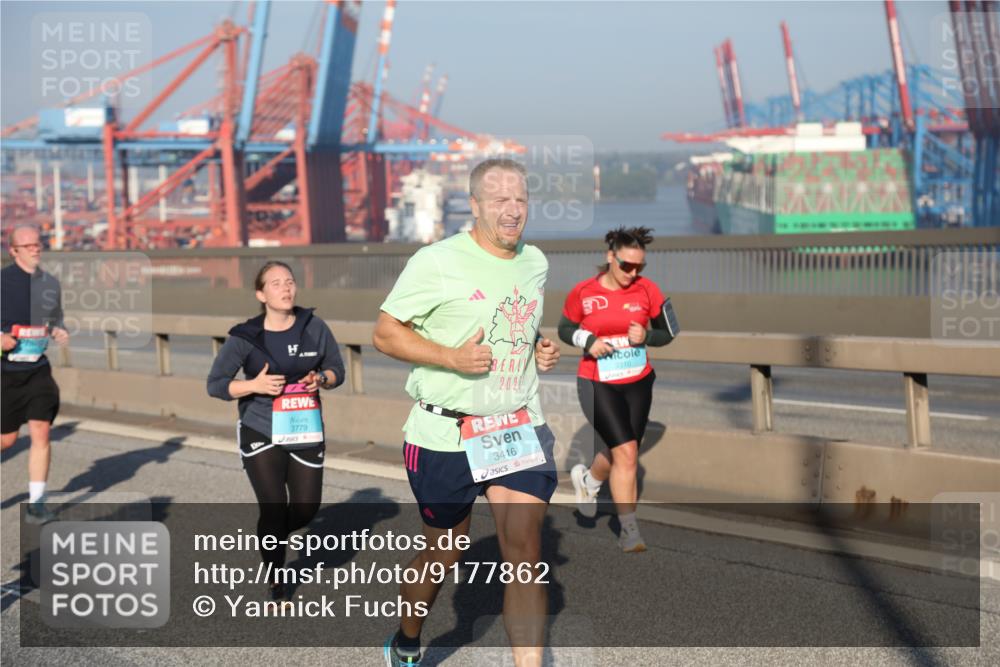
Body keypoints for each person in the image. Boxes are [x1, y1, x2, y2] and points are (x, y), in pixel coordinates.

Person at [373, 158, 560, 667]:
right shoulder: (436, 261)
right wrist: (449, 357)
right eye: (499, 199)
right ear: (474, 206)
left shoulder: (535, 261)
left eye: (520, 198)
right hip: (443, 431)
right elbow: (385, 334)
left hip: (515, 424)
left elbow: (514, 322)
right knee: (444, 553)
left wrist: (539, 347)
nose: (513, 209)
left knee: (524, 554)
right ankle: (408, 637)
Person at [207, 261, 345, 601]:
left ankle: (272, 537)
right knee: (272, 507)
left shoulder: (314, 327)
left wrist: (321, 379)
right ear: (261, 294)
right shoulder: (246, 336)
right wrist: (253, 384)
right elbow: (216, 384)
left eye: (290, 282)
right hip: (260, 429)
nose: (285, 288)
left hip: (304, 428)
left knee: (306, 510)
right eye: (276, 283)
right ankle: (276, 577)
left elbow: (336, 370)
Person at [560, 226, 675, 552]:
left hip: (637, 380)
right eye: (626, 265)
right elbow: (566, 328)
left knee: (623, 450)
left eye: (639, 267)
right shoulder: (583, 292)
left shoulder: (647, 290)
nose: (633, 273)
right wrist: (589, 340)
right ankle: (629, 531)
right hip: (596, 382)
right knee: (625, 452)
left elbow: (668, 332)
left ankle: (588, 481)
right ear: (610, 257)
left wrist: (647, 337)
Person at [1, 225, 70, 524]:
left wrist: (59, 330)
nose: (35, 249)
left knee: (41, 431)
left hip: (38, 369)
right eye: (28, 246)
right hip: (5, 372)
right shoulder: (2, 281)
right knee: (7, 440)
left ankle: (36, 504)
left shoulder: (50, 283)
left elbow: (55, 318)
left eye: (37, 244)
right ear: (13, 250)